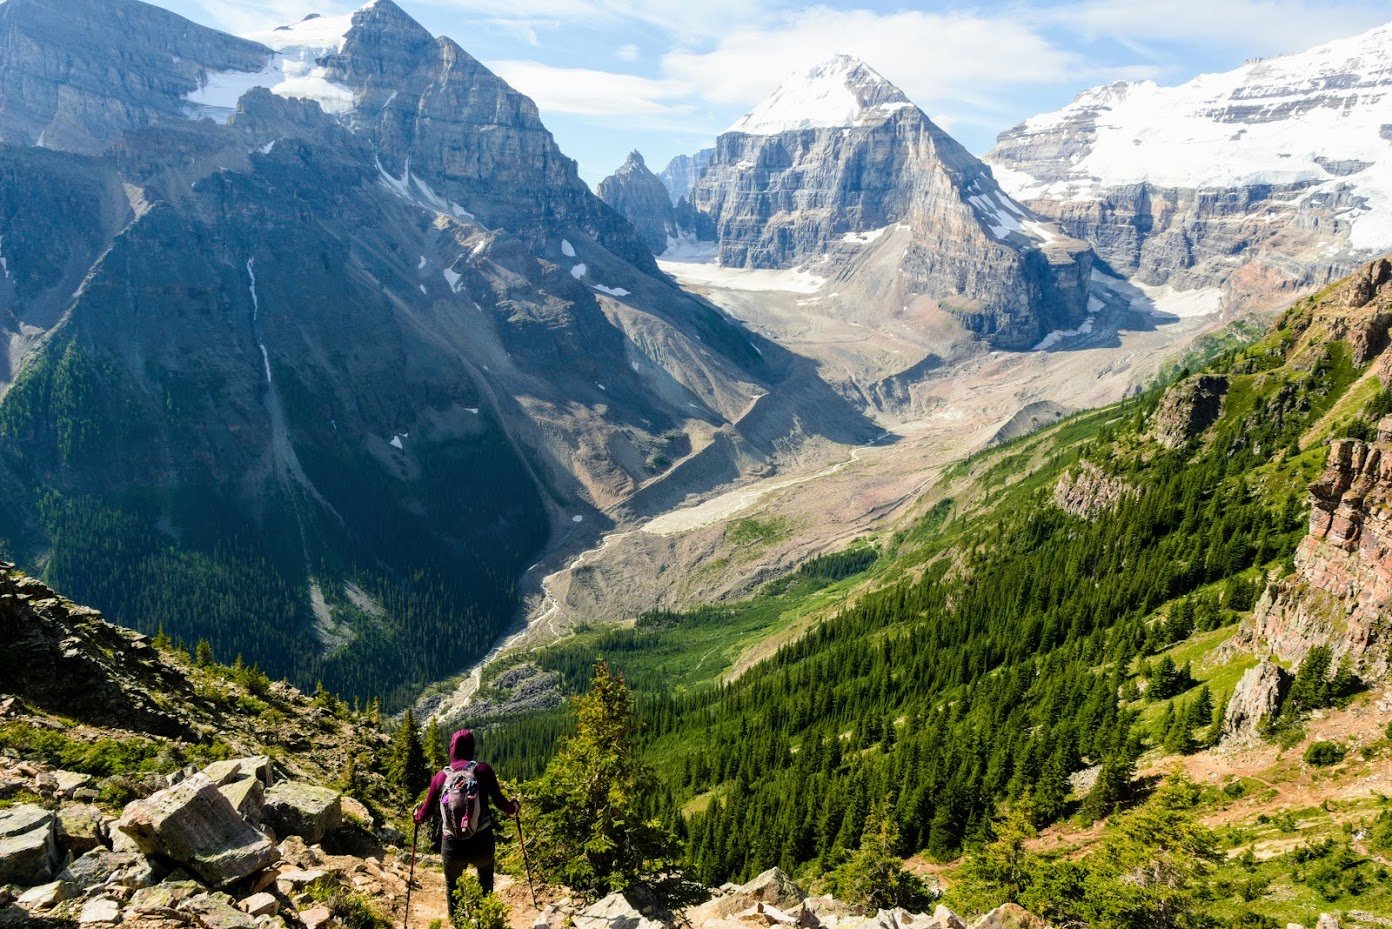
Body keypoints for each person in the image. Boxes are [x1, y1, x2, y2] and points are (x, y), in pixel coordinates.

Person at [413, 728, 520, 921]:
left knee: (452, 886)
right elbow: (500, 802)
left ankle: (458, 922)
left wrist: (417, 816)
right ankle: (484, 920)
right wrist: (513, 808)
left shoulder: (440, 777)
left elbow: (424, 814)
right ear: (471, 748)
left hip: (452, 845)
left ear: (452, 749)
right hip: (482, 843)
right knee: (485, 880)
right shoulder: (482, 770)